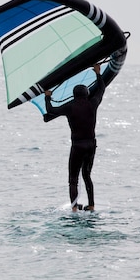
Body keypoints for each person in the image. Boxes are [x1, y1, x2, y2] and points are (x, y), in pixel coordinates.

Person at [44, 64, 105, 212]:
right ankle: (91, 206)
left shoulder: (70, 107)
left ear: (74, 95)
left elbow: (51, 110)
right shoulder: (93, 103)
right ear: (87, 94)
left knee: (73, 180)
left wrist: (47, 97)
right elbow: (101, 89)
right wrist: (98, 73)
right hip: (91, 145)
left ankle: (74, 209)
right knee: (87, 176)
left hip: (77, 146)